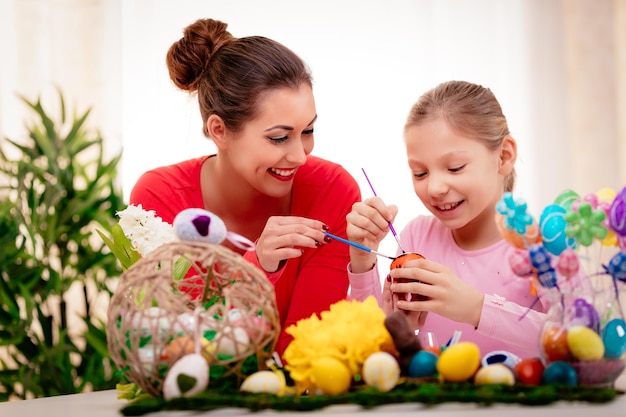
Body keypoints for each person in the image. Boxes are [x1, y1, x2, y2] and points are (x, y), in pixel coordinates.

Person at [129, 18, 361, 357]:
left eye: (308, 131)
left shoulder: (333, 190)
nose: (300, 156)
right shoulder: (159, 198)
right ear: (219, 130)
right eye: (279, 137)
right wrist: (258, 266)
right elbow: (175, 347)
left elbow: (307, 351)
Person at [346, 80, 547, 359]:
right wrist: (361, 259)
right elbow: (368, 353)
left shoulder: (543, 247)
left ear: (503, 156)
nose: (434, 188)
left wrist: (476, 308)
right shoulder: (417, 238)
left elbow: (580, 342)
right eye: (420, 173)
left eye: (454, 168)